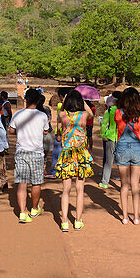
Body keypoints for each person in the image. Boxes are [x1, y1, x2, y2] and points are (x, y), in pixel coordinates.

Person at [9, 87, 50, 223]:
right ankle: (34, 208)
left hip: (22, 151)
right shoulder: (42, 116)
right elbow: (46, 131)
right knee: (36, 182)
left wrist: (20, 131)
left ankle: (22, 212)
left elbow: (11, 130)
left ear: (25, 99)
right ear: (38, 101)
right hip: (37, 153)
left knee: (22, 183)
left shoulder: (18, 114)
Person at [55, 89, 94, 231]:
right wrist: (82, 101)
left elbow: (60, 129)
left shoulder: (62, 115)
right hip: (81, 155)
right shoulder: (84, 115)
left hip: (67, 154)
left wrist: (66, 101)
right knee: (80, 189)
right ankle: (78, 220)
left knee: (65, 190)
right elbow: (91, 114)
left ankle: (64, 221)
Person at [114, 88, 140, 225]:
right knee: (135, 185)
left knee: (124, 185)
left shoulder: (118, 112)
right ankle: (137, 216)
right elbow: (139, 128)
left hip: (122, 147)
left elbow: (118, 125)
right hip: (137, 147)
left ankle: (125, 216)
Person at [99, 90, 123, 188]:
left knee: (108, 162)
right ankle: (124, 182)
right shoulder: (123, 110)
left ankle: (105, 182)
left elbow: (104, 124)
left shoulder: (110, 110)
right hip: (121, 138)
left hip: (110, 137)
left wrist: (103, 134)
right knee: (121, 162)